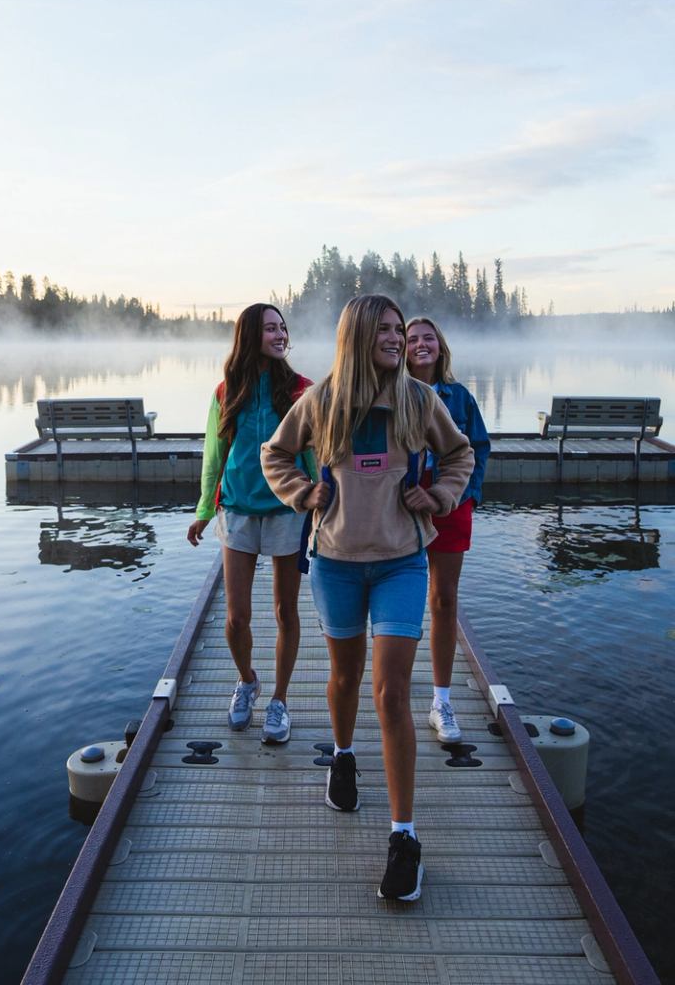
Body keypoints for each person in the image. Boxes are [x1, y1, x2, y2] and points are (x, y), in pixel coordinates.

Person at [262, 293, 473, 902]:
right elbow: (274, 453)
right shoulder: (322, 401)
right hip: (335, 564)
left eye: (400, 328)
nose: (397, 336)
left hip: (403, 563)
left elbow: (459, 453)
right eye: (385, 328)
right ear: (357, 335)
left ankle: (404, 838)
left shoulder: (418, 398)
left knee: (391, 692)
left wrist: (439, 498)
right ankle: (346, 756)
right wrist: (304, 494)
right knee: (345, 678)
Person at [187, 303, 314, 744]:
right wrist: (206, 510)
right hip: (237, 509)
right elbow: (213, 457)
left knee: (284, 611)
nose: (280, 335)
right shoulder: (227, 392)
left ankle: (279, 699)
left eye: (283, 328)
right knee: (236, 618)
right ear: (249, 337)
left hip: (287, 513)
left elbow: (315, 456)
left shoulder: (303, 390)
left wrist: (319, 505)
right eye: (270, 329)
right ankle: (247, 681)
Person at [403, 317, 490, 745]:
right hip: (399, 511)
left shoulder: (459, 397)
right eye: (412, 338)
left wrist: (464, 495)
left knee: (442, 599)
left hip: (449, 508)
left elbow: (477, 448)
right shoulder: (390, 393)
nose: (421, 344)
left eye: (428, 338)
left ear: (441, 347)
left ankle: (441, 700)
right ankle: (395, 680)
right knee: (399, 597)